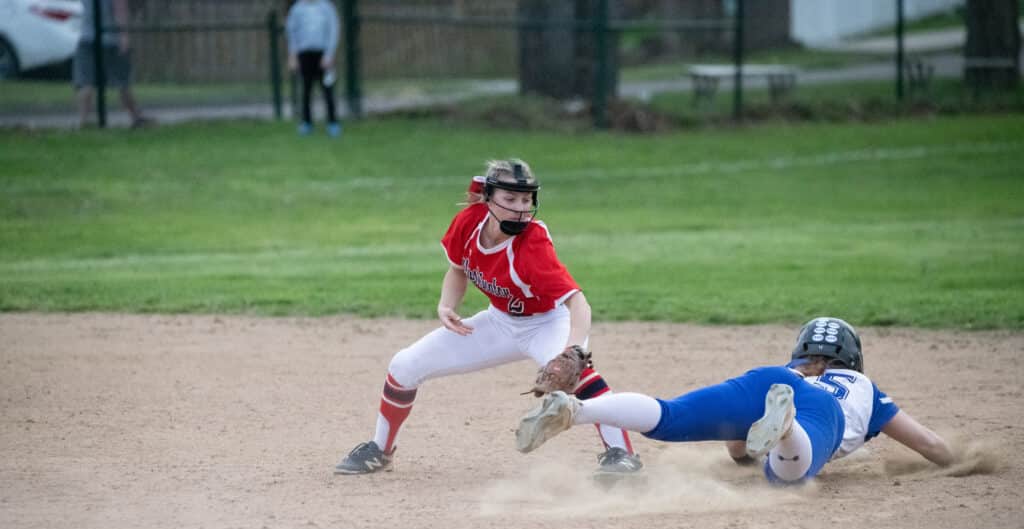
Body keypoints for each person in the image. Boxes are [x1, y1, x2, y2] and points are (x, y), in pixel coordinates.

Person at [335, 159, 641, 477]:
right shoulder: (469, 223)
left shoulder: (532, 244)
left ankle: (622, 454)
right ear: (488, 198)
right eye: (510, 199)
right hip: (498, 323)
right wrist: (446, 305)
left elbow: (579, 304)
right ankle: (380, 451)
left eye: (526, 200)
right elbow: (457, 269)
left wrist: (573, 350)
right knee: (404, 366)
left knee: (582, 378)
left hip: (545, 324)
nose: (520, 209)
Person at [516, 317, 955, 483]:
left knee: (670, 416)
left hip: (767, 381)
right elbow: (929, 445)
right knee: (789, 475)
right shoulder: (867, 391)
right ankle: (788, 428)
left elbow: (736, 446)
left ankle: (578, 409)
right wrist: (963, 460)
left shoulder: (785, 372)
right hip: (823, 414)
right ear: (854, 359)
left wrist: (744, 450)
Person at [74, 0, 150, 128]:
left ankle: (83, 122)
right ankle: (136, 118)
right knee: (122, 82)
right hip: (111, 40)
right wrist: (124, 36)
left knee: (86, 83)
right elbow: (120, 10)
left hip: (88, 39)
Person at [286, 0, 341, 137]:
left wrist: (329, 54)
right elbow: (291, 32)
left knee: (327, 89)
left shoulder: (326, 7)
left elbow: (333, 30)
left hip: (323, 55)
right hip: (304, 54)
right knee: (306, 90)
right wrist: (293, 55)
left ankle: (333, 123)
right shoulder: (297, 9)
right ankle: (306, 123)